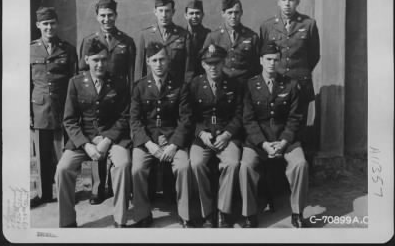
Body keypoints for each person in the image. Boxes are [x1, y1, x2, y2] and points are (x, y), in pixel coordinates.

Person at [55, 40, 131, 228]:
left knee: (123, 164)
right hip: (84, 138)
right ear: (87, 59)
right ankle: (67, 222)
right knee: (63, 169)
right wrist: (86, 145)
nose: (100, 64)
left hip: (113, 137)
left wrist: (107, 140)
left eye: (104, 59)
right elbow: (70, 120)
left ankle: (120, 220)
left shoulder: (120, 83)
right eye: (96, 60)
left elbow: (125, 116)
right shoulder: (76, 83)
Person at [239, 44, 308, 228]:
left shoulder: (291, 84)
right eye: (268, 59)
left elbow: (295, 118)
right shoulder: (250, 85)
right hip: (258, 141)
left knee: (300, 164)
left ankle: (297, 212)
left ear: (280, 61)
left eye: (276, 59)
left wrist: (284, 142)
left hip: (286, 139)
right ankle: (250, 214)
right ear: (261, 61)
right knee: (245, 166)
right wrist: (263, 144)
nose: (272, 63)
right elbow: (248, 120)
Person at [77, 0, 136, 205]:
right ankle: (97, 187)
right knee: (96, 138)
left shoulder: (126, 41)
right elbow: (83, 74)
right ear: (97, 17)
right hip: (96, 100)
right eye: (102, 15)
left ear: (116, 16)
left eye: (110, 15)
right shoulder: (89, 41)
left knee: (117, 143)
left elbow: (132, 74)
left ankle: (117, 185)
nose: (106, 19)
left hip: (118, 101)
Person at [130, 42, 193, 228]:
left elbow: (186, 119)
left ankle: (185, 216)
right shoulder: (139, 87)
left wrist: (174, 144)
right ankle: (142, 215)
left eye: (162, 59)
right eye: (155, 60)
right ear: (148, 62)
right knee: (137, 169)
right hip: (147, 141)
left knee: (183, 166)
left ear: (168, 61)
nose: (159, 64)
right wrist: (149, 144)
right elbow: (135, 121)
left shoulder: (180, 86)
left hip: (173, 139)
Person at [189, 44, 242, 228]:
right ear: (203, 64)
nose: (213, 67)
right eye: (208, 63)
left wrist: (227, 135)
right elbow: (189, 115)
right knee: (196, 163)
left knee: (232, 163)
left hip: (226, 136)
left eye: (217, 63)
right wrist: (201, 133)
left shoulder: (233, 84)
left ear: (224, 62)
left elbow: (239, 114)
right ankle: (207, 213)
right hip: (202, 137)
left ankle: (223, 212)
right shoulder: (195, 84)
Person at [30, 7, 77, 207]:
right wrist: (27, 112)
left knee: (62, 154)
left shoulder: (67, 49)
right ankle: (44, 194)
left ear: (57, 24)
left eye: (52, 23)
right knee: (41, 154)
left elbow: (74, 82)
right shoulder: (30, 49)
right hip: (39, 107)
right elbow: (26, 83)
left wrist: (75, 111)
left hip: (62, 107)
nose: (49, 27)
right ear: (38, 25)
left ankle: (66, 193)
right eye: (45, 23)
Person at [259, 0, 320, 127]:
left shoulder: (309, 24)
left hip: (300, 82)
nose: (287, 3)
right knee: (276, 123)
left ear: (297, 2)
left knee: (298, 124)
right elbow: (263, 54)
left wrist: (299, 71)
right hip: (277, 82)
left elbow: (314, 55)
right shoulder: (267, 26)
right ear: (278, 2)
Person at [134, 0, 194, 83]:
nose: (164, 15)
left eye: (167, 11)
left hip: (176, 88)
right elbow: (139, 68)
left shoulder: (184, 35)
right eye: (161, 11)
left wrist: (186, 89)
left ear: (173, 12)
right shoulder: (145, 35)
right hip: (152, 89)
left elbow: (189, 68)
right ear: (155, 12)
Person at [203, 0, 260, 83]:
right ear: (223, 14)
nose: (233, 16)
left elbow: (256, 65)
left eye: (236, 12)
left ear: (241, 13)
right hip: (222, 84)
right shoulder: (213, 37)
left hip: (245, 84)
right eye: (230, 13)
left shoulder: (252, 36)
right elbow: (205, 63)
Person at [184, 0, 211, 76]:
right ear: (186, 15)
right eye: (191, 13)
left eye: (197, 13)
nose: (194, 16)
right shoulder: (180, 36)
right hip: (183, 80)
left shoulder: (209, 35)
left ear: (203, 15)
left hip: (202, 78)